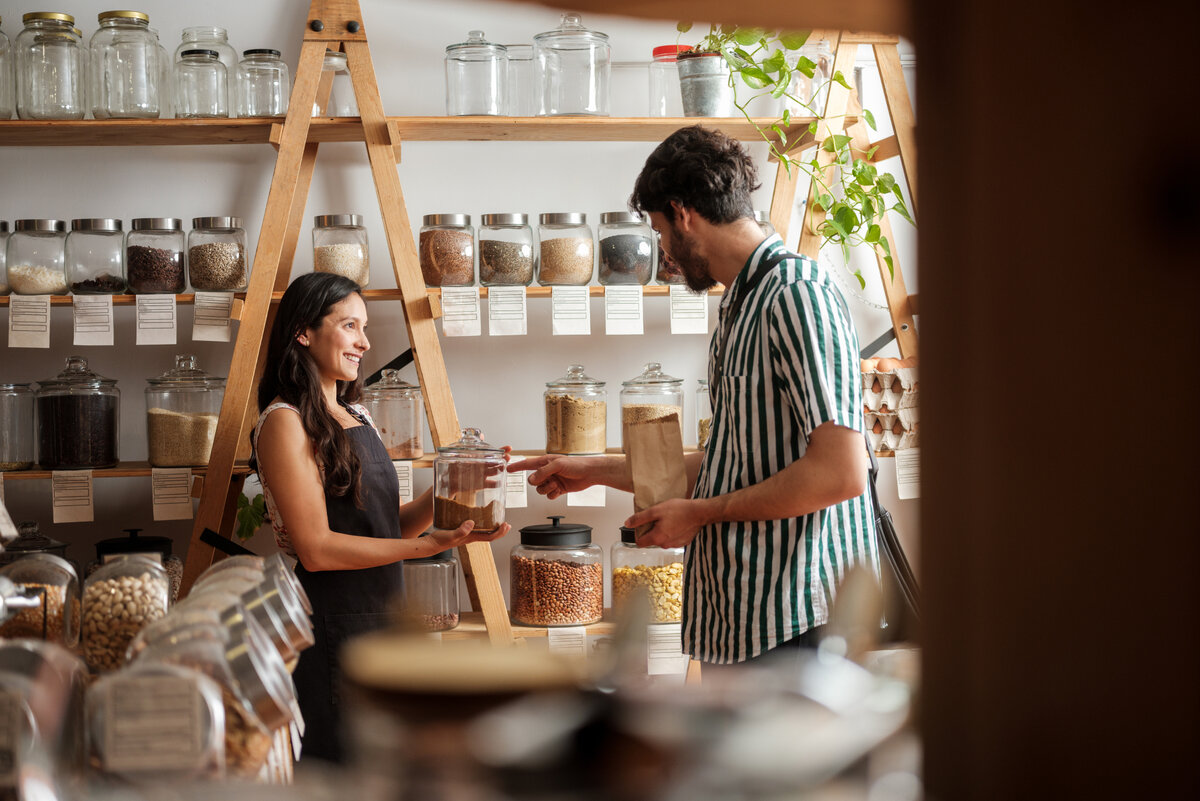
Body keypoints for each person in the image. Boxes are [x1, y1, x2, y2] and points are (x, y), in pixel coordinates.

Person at [511, 125, 877, 666]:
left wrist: (701, 514)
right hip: (746, 614)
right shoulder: (741, 304)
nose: (664, 254)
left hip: (798, 620)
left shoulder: (798, 295)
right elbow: (735, 461)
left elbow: (840, 473)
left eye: (660, 232)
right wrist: (593, 469)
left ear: (683, 214)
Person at [251, 272, 510, 762]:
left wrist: (457, 489)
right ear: (304, 331)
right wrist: (429, 547)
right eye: (350, 326)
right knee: (345, 773)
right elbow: (317, 549)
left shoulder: (357, 414)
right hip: (333, 629)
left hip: (386, 620)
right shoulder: (284, 421)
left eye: (363, 328)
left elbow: (389, 525)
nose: (364, 342)